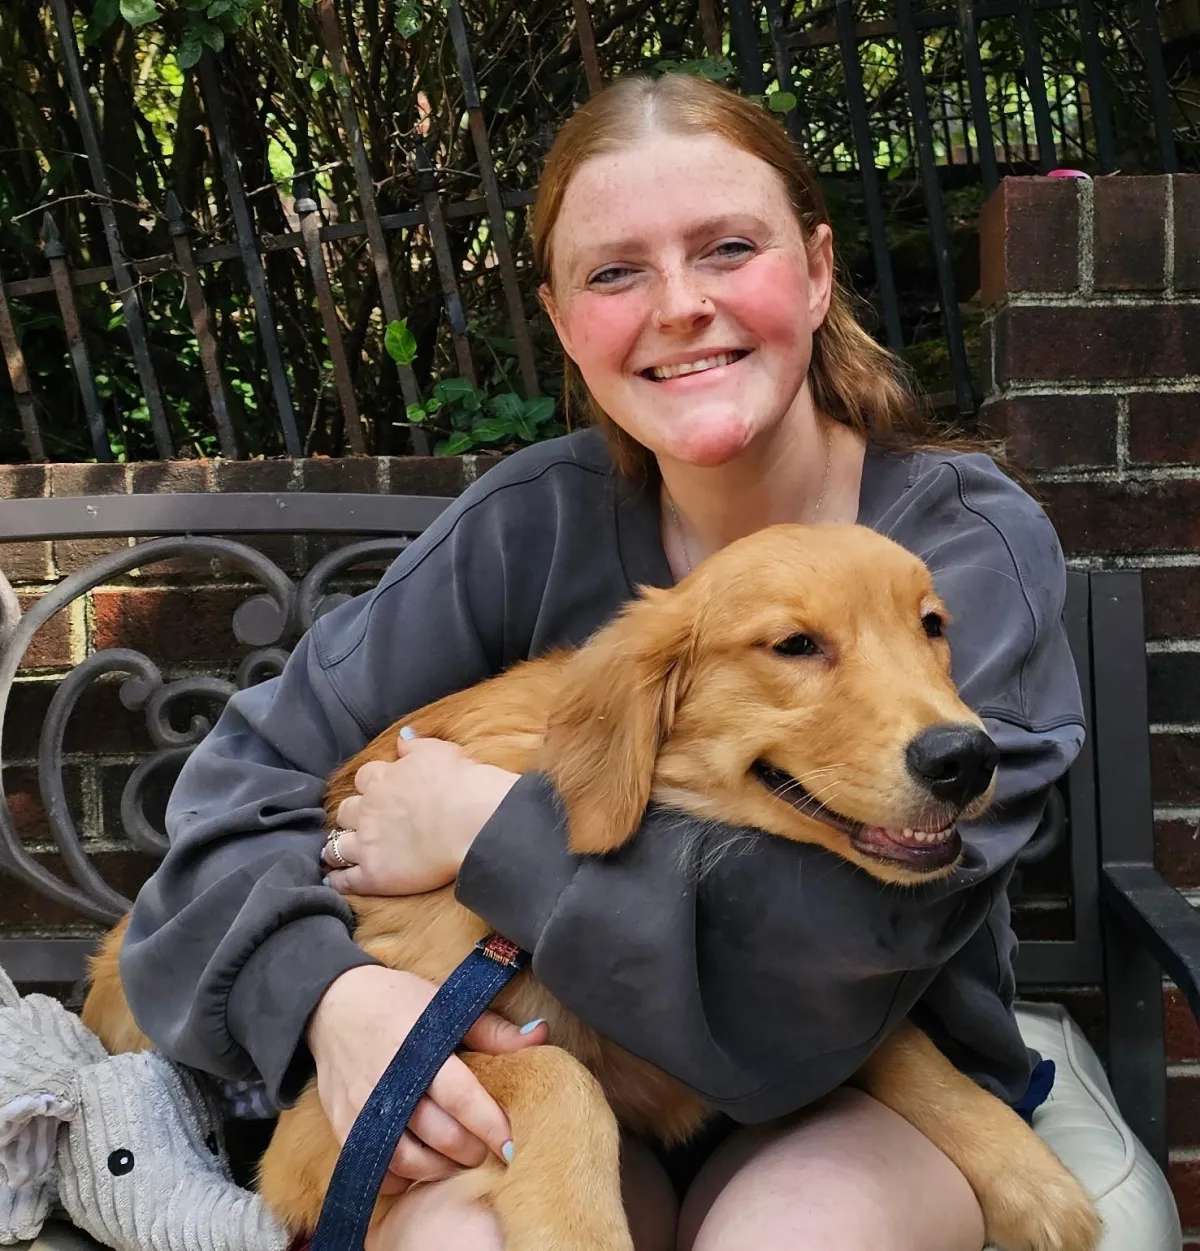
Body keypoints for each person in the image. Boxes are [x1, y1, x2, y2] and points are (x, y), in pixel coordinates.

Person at [120, 73, 1084, 1251]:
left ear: (818, 269)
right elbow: (238, 796)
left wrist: (488, 828)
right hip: (558, 1052)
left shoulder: (967, 547)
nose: (681, 306)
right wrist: (338, 996)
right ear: (565, 320)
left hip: (850, 1068)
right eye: (616, 272)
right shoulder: (525, 525)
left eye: (728, 247)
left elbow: (859, 934)